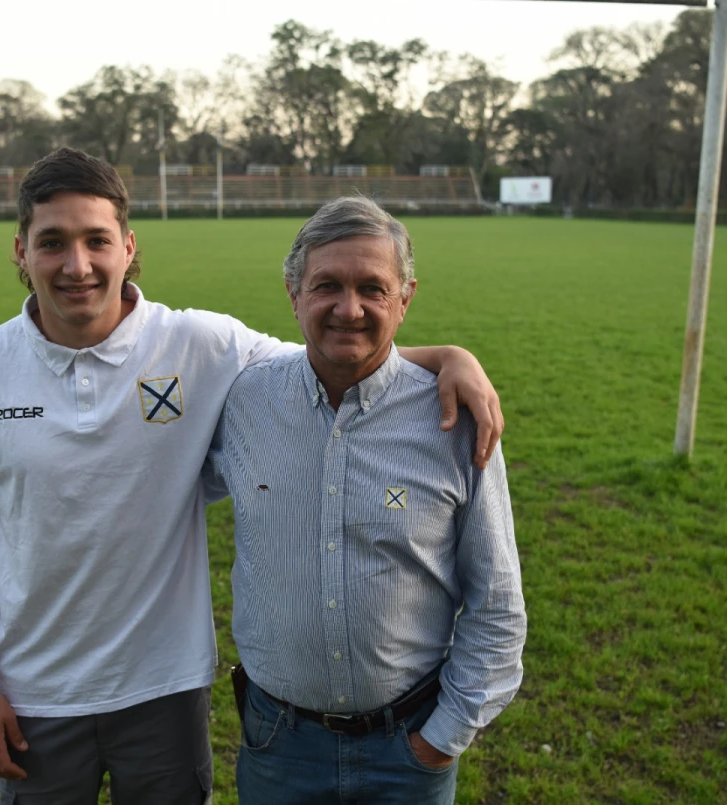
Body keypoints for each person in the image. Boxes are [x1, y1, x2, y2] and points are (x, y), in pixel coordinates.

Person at [0, 148, 505, 805]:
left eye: (96, 240)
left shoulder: (202, 344)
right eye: (52, 242)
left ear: (128, 247)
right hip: (32, 693)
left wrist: (450, 357)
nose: (77, 265)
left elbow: (340, 350)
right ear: (20, 250)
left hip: (165, 690)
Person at [204, 196, 527, 805]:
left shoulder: (454, 420)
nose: (348, 309)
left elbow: (498, 602)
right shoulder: (242, 402)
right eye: (327, 285)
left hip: (407, 749)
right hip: (278, 745)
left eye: (372, 289)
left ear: (405, 299)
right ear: (293, 294)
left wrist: (442, 738)